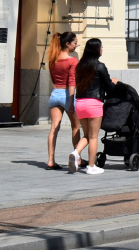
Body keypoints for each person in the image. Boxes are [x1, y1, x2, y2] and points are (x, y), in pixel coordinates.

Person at [70, 38, 114, 175]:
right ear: (96, 49)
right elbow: (109, 87)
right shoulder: (100, 66)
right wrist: (115, 83)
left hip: (80, 103)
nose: (102, 49)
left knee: (87, 135)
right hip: (94, 103)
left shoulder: (80, 67)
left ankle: (76, 152)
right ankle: (91, 166)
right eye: (101, 47)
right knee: (94, 136)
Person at [45, 31, 80, 170]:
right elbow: (72, 82)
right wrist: (71, 101)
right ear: (67, 44)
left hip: (55, 93)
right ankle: (78, 158)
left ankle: (50, 160)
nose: (77, 45)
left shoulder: (52, 59)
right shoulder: (72, 61)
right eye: (75, 43)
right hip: (67, 95)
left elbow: (53, 79)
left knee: (54, 128)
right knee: (76, 126)